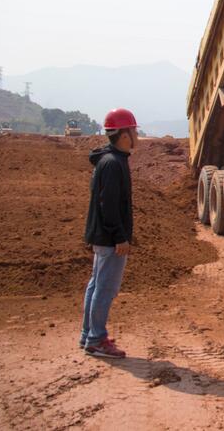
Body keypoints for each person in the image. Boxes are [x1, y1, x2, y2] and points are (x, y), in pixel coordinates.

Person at [81, 108, 138, 358]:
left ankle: (89, 334)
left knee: (96, 285)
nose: (137, 135)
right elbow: (109, 205)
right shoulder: (113, 164)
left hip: (101, 236)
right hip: (109, 238)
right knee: (104, 288)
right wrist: (119, 237)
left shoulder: (108, 160)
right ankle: (96, 340)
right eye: (134, 130)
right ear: (124, 135)